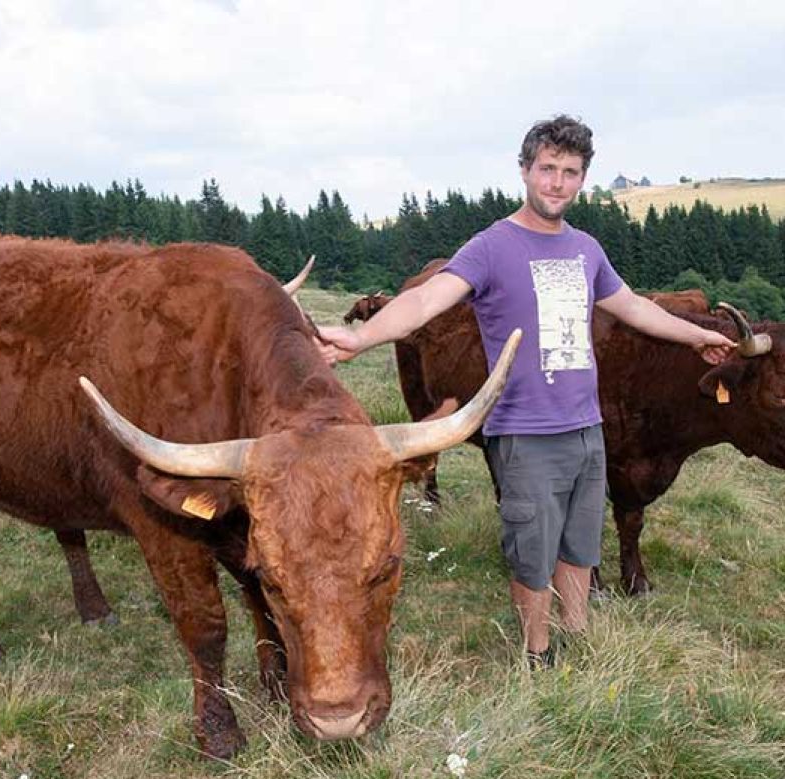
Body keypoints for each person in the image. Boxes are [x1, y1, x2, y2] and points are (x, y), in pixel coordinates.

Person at [315, 115, 735, 667]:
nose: (557, 183)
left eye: (570, 172)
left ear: (582, 179)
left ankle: (578, 638)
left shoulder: (586, 249)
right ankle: (537, 654)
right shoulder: (493, 246)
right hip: (524, 433)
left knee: (581, 548)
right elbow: (426, 301)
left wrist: (699, 335)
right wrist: (361, 336)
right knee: (532, 557)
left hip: (586, 430)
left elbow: (633, 307)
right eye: (547, 170)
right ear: (525, 171)